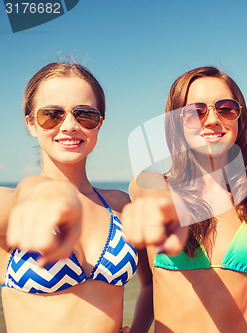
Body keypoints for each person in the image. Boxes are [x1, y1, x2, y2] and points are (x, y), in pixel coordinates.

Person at [122, 66, 247, 332]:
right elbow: (148, 284)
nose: (212, 119)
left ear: (240, 118)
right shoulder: (154, 187)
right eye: (196, 111)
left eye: (225, 108)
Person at [0, 62, 152, 333]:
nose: (69, 126)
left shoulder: (119, 205)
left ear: (99, 124)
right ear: (31, 124)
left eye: (84, 115)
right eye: (52, 115)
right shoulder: (10, 205)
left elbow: (152, 284)